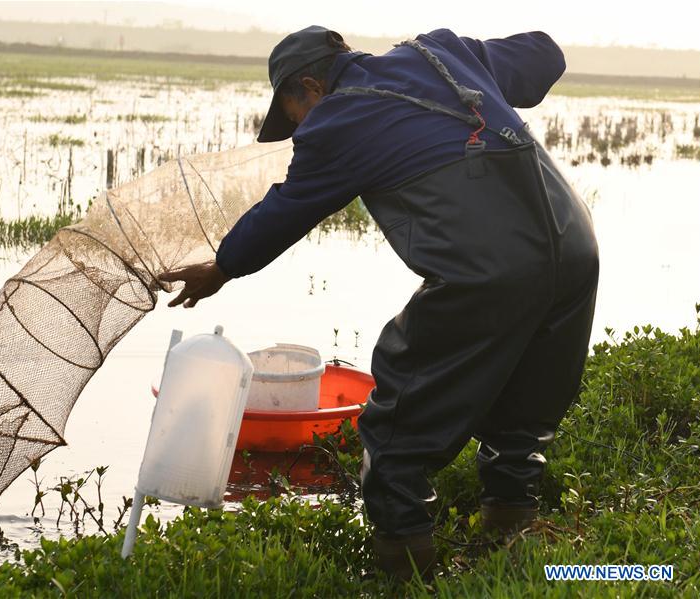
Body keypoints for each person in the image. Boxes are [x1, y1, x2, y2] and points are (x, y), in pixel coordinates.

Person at [159, 25, 599, 581]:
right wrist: (473, 72)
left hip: (490, 272)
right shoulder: (441, 51)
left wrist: (221, 267)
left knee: (394, 433)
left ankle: (404, 581)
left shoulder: (335, 123)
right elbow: (544, 54)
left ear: (312, 87)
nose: (299, 127)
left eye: (293, 113)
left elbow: (286, 209)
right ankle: (508, 545)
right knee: (522, 415)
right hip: (576, 248)